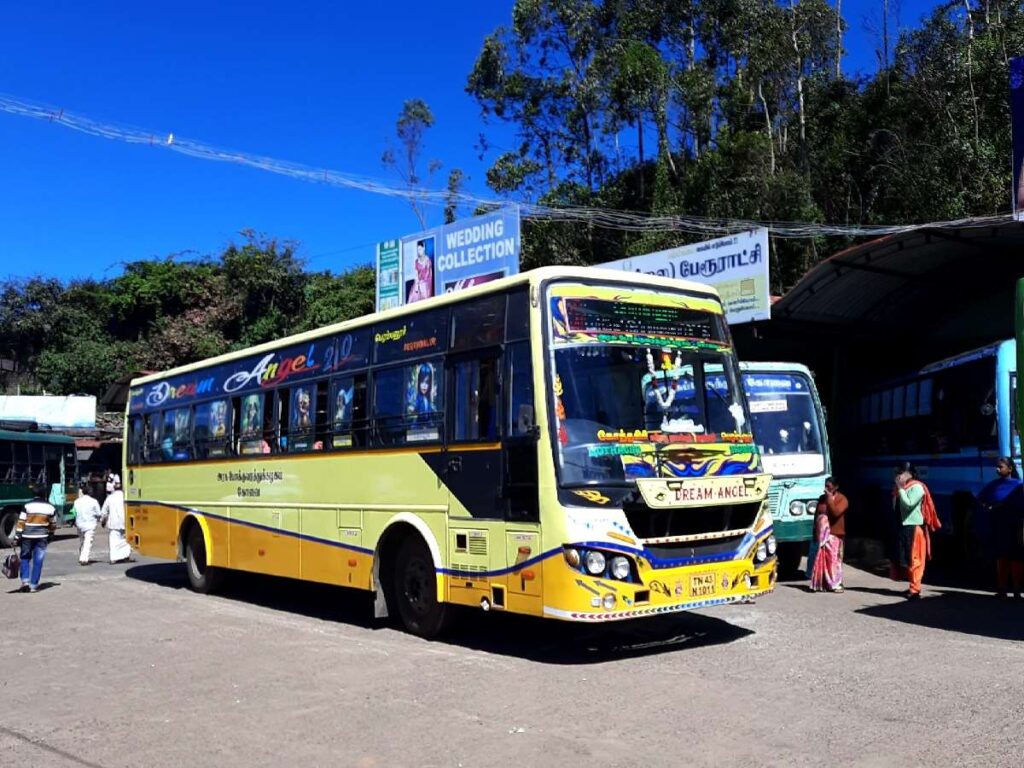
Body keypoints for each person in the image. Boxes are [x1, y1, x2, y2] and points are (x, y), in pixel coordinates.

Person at [890, 462, 941, 599]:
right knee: (906, 559)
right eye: (898, 473)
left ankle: (915, 590)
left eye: (901, 473)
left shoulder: (917, 487)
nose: (898, 476)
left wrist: (900, 489)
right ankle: (912, 587)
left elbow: (908, 505)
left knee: (915, 559)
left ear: (910, 474)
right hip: (903, 527)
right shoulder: (901, 488)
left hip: (914, 528)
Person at [976, 457, 1024, 598]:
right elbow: (980, 499)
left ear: (1009, 469)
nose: (997, 469)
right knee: (1001, 557)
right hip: (998, 526)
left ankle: (1017, 590)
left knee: (1016, 558)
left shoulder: (1018, 485)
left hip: (1015, 526)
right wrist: (986, 507)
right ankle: (1002, 589)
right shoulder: (992, 485)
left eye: (1000, 466)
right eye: (997, 467)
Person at [12, 484, 56, 592]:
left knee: (25, 558)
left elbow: (21, 522)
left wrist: (17, 537)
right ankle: (33, 585)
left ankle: (25, 581)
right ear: (44, 494)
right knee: (38, 560)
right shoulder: (50, 507)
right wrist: (50, 534)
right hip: (42, 538)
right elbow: (53, 524)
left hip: (27, 537)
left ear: (34, 493)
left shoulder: (27, 506)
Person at [73, 485, 103, 566]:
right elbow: (99, 513)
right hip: (90, 524)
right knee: (88, 542)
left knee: (82, 541)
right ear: (90, 492)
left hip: (79, 523)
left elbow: (73, 512)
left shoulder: (76, 501)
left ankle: (81, 556)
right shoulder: (94, 501)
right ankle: (84, 559)